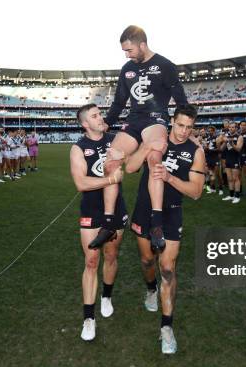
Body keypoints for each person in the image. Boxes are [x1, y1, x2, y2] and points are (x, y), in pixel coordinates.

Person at [91, 25, 188, 253]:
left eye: (129, 49)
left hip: (156, 119)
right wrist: (107, 122)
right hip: (134, 120)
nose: (127, 54)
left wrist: (186, 128)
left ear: (142, 44)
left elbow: (181, 100)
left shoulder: (165, 65)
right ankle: (108, 223)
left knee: (154, 160)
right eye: (125, 51)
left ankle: (156, 224)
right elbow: (119, 102)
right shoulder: (126, 69)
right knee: (110, 163)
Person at [126, 104, 205, 354]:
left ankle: (167, 328)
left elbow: (196, 192)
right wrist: (147, 147)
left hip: (171, 212)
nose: (183, 131)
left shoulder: (195, 151)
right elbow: (130, 167)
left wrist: (170, 178)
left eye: (189, 127)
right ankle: (151, 289)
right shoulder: (156, 137)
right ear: (172, 121)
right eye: (180, 125)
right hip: (144, 208)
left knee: (168, 269)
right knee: (147, 261)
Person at [70, 104, 127, 341]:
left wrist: (124, 157)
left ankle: (106, 296)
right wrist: (110, 179)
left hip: (116, 209)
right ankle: (88, 318)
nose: (100, 117)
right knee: (91, 261)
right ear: (85, 124)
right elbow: (81, 184)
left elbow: (132, 164)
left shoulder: (116, 139)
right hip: (90, 210)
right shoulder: (78, 148)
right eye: (94, 116)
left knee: (111, 256)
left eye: (99, 113)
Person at [220, 121, 241, 203]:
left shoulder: (239, 137)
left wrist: (231, 143)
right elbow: (221, 149)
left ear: (236, 128)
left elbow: (238, 149)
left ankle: (237, 196)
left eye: (233, 127)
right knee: (229, 179)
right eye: (230, 127)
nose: (231, 128)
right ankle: (231, 195)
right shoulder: (226, 136)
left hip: (235, 159)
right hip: (228, 159)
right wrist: (225, 141)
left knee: (236, 178)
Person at [203, 126, 222, 194]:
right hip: (209, 158)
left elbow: (219, 149)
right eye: (209, 131)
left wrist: (211, 150)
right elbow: (206, 148)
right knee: (211, 174)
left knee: (217, 174)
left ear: (214, 131)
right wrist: (205, 148)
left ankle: (220, 189)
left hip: (215, 157)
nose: (210, 132)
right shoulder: (207, 138)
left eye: (211, 130)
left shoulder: (217, 138)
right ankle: (213, 188)